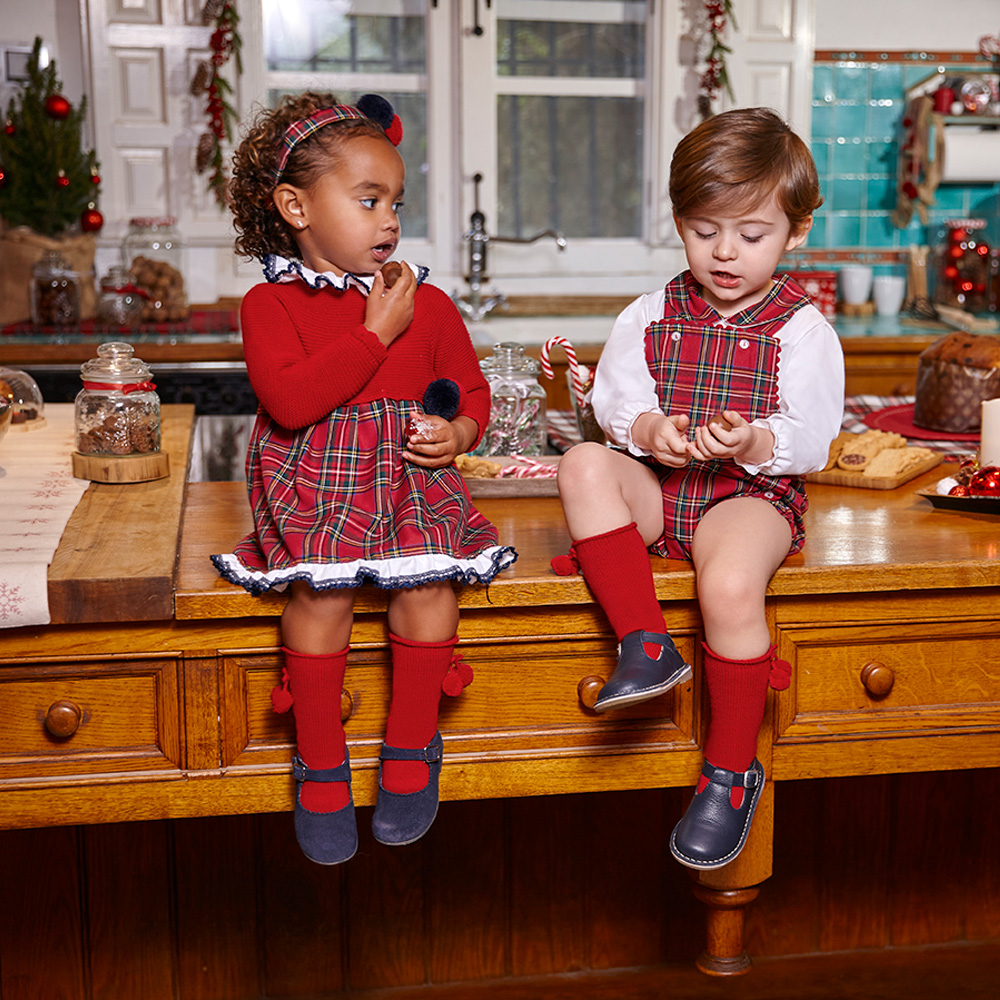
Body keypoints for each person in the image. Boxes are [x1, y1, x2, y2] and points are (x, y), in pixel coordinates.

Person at [212, 92, 517, 866]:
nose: (390, 222)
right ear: (295, 206)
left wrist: (458, 432)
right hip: (318, 480)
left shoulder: (433, 304)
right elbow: (290, 401)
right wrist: (376, 333)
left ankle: (412, 745)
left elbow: (471, 390)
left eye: (396, 203)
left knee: (428, 588)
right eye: (369, 200)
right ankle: (320, 759)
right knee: (324, 594)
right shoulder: (269, 304)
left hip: (412, 483)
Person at [554, 107, 844, 870]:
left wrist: (752, 440)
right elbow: (613, 403)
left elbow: (812, 438)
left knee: (729, 583)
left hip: (746, 500)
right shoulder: (649, 314)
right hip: (661, 489)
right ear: (680, 221)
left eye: (751, 235)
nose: (724, 252)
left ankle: (729, 769)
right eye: (703, 229)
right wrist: (647, 430)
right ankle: (645, 645)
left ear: (795, 233)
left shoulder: (803, 331)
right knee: (581, 466)